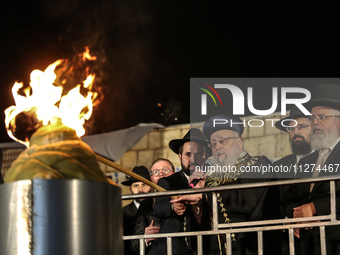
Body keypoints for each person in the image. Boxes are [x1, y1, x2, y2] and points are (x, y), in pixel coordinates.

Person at [172, 114, 275, 255]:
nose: (217, 146)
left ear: (239, 142)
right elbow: (202, 225)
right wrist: (197, 206)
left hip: (250, 247)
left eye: (223, 141)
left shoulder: (258, 164)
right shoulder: (209, 178)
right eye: (213, 143)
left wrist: (206, 195)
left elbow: (244, 197)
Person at [284, 84, 340, 255]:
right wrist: (296, 216)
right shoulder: (306, 161)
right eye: (312, 118)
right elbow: (291, 198)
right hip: (309, 245)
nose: (315, 122)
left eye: (322, 117)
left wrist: (315, 207)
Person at [147, 128, 210, 255]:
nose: (192, 159)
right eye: (188, 154)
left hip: (206, 246)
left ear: (205, 157)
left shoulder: (212, 181)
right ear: (180, 157)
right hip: (176, 248)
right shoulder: (168, 182)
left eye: (198, 154)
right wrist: (173, 206)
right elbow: (158, 208)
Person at [275, 105, 312, 255]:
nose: (296, 132)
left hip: (321, 239)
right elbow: (272, 202)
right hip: (287, 243)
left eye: (302, 126)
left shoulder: (326, 161)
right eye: (291, 128)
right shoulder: (278, 166)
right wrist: (286, 220)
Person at [130, 158, 175, 253]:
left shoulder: (185, 197)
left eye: (165, 170)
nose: (161, 174)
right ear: (152, 179)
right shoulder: (145, 206)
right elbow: (134, 244)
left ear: (174, 174)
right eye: (156, 171)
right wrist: (145, 238)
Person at [121, 166, 152, 255]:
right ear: (130, 189)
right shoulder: (123, 212)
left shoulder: (157, 208)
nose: (141, 190)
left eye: (144, 184)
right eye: (136, 186)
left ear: (151, 186)